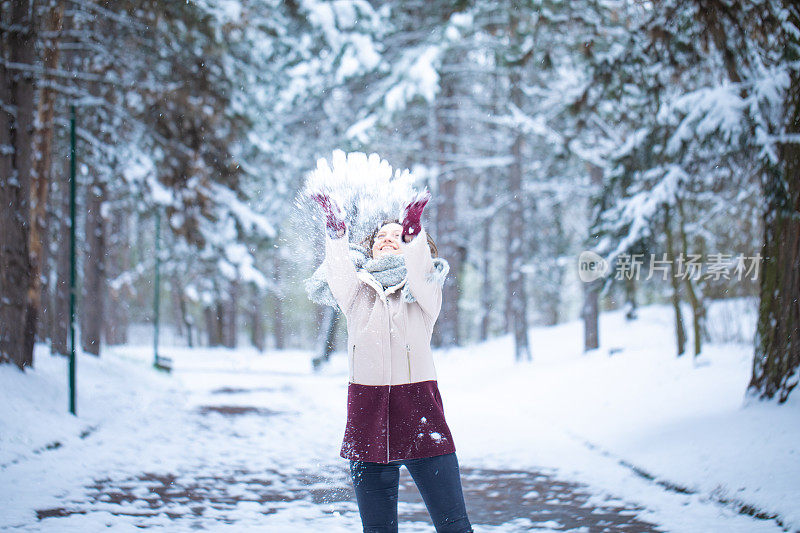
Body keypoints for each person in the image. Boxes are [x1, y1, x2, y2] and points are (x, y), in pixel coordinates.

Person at [310, 190, 473, 533]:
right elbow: (339, 271)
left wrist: (412, 232)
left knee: (454, 526)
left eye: (396, 237)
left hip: (422, 421)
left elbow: (422, 271)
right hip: (366, 425)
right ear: (370, 248)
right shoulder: (356, 294)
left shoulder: (424, 294)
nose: (387, 240)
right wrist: (337, 232)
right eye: (380, 237)